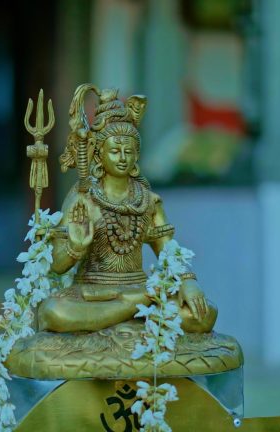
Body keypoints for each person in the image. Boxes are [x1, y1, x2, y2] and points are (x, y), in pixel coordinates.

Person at [37, 86, 217, 334]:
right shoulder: (83, 198)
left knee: (204, 313)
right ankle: (132, 311)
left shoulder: (149, 201)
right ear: (99, 155)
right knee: (53, 311)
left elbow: (169, 253)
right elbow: (56, 267)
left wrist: (188, 283)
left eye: (128, 151)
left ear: (136, 156)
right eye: (114, 150)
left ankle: (122, 313)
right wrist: (75, 247)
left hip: (140, 288)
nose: (122, 157)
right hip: (94, 294)